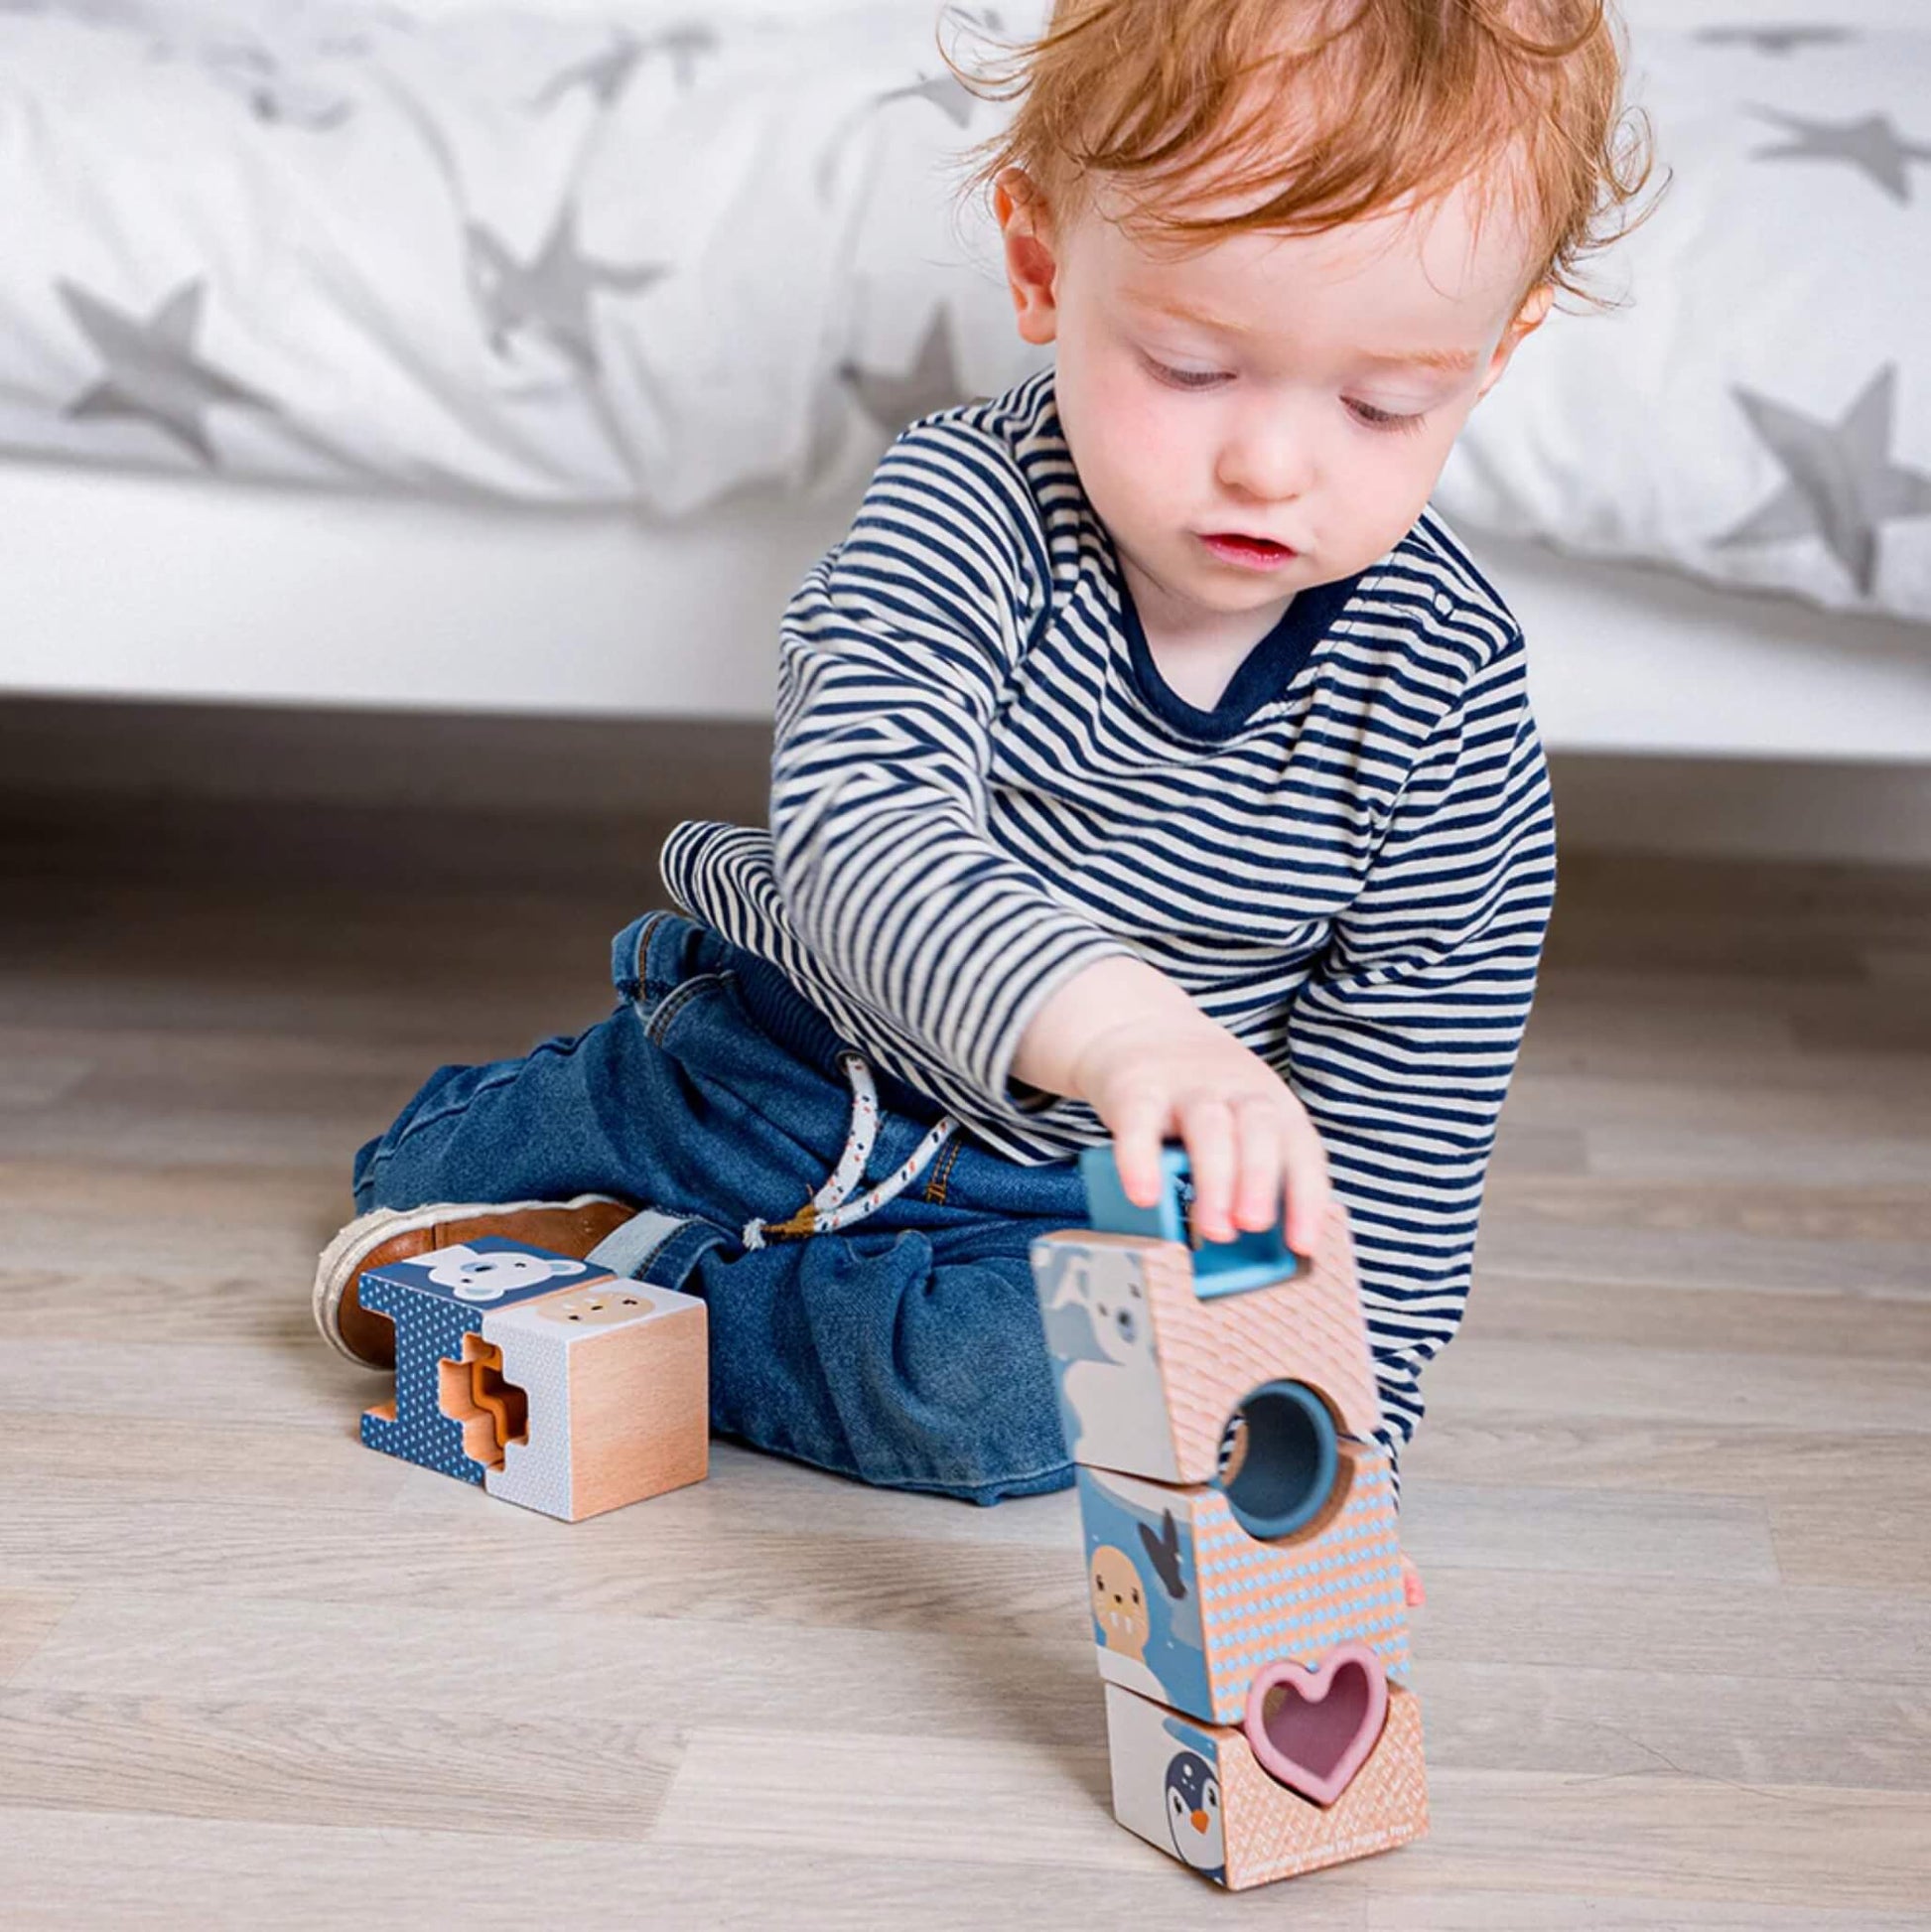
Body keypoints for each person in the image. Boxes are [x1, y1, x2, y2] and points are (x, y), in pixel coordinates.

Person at [312, 0, 1661, 1556]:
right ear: (1039, 264)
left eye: (1379, 405)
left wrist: (1347, 1435)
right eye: (1192, 364)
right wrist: (1122, 1023)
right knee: (405, 1178)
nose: (1272, 467)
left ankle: (653, 1269)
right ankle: (570, 1151)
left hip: (1064, 1190)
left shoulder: (1445, 686)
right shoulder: (967, 512)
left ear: (1492, 359)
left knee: (1004, 1408)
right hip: (785, 1060)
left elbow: (1411, 1107)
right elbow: (862, 832)